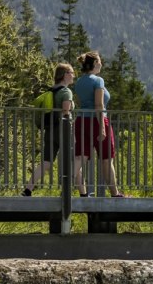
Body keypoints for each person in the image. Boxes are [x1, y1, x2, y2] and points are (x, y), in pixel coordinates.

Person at [71, 50, 123, 197]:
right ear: (94, 63)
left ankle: (67, 183)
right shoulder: (98, 81)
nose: (101, 64)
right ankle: (115, 193)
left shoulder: (80, 81)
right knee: (107, 158)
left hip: (81, 121)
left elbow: (84, 102)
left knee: (80, 157)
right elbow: (99, 105)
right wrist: (102, 128)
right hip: (98, 120)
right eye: (99, 61)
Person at [22, 63, 75, 197]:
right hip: (63, 130)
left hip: (50, 130)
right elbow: (66, 111)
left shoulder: (51, 91)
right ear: (65, 75)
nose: (74, 76)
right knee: (73, 161)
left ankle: (28, 189)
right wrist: (71, 131)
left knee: (46, 162)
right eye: (72, 73)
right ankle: (77, 193)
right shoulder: (66, 92)